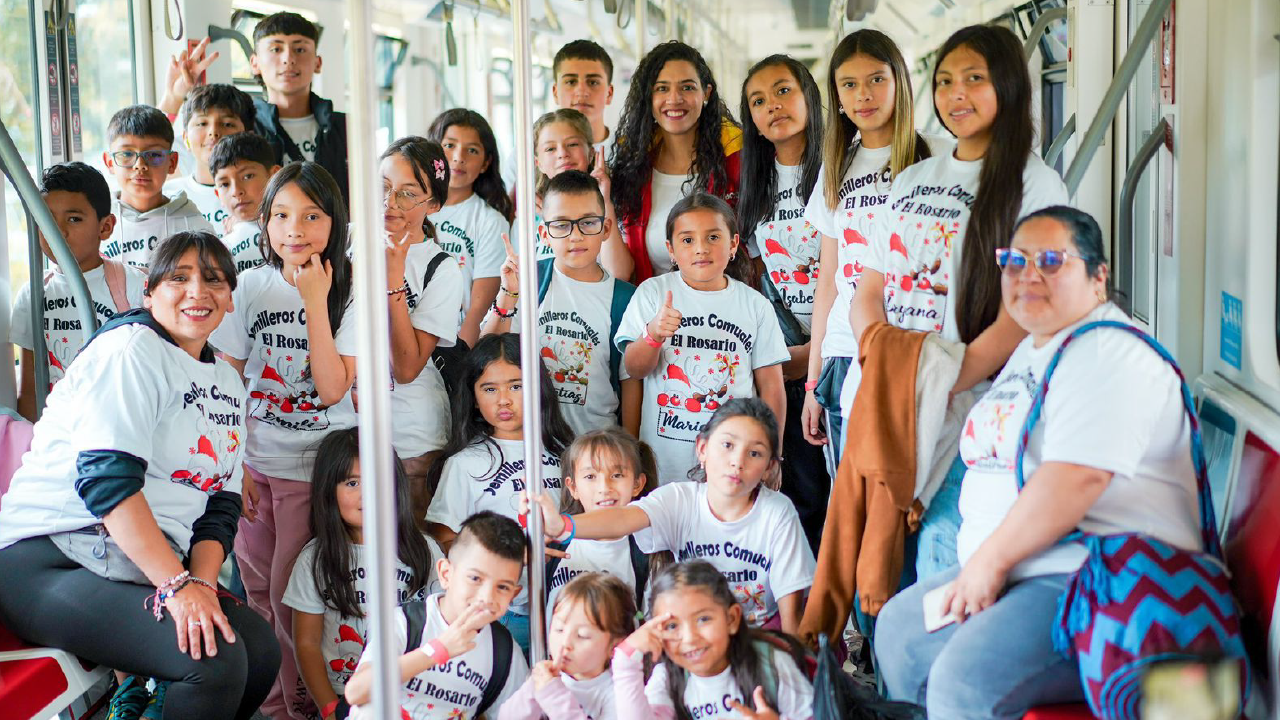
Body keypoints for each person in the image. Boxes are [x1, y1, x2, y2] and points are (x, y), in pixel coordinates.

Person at [874, 206, 1201, 719]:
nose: (1028, 274)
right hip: (1027, 567)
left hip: (1090, 577)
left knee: (966, 679)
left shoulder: (1109, 352)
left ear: (1098, 277)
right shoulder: (1035, 347)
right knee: (902, 632)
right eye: (1015, 261)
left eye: (1051, 261)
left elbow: (1076, 479)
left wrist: (989, 564)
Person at [0, 231, 281, 720]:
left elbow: (220, 505)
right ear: (148, 293)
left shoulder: (226, 381)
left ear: (230, 298)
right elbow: (108, 483)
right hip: (49, 557)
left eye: (214, 280)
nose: (198, 291)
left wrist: (203, 586)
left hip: (129, 564)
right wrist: (177, 586)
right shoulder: (130, 350)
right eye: (179, 278)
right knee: (211, 661)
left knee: (258, 649)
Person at [851, 24, 1070, 579]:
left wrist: (945, 378)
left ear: (1008, 87)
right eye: (945, 81)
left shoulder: (1035, 185)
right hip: (888, 396)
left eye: (974, 79)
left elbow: (1024, 310)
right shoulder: (913, 178)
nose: (956, 94)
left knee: (939, 560)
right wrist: (882, 364)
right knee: (876, 559)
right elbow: (869, 288)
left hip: (971, 406)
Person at [210, 161, 358, 720]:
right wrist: (233, 468)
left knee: (290, 599)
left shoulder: (350, 286)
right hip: (253, 468)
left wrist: (315, 300)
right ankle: (272, 707)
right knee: (255, 594)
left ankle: (303, 707)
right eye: (281, 215)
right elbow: (226, 381)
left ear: (334, 220)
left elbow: (332, 388)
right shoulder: (250, 284)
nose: (294, 229)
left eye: (312, 216)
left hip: (312, 470)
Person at [528, 399, 815, 634]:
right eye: (727, 445)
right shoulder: (680, 499)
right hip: (692, 639)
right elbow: (622, 519)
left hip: (757, 639)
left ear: (769, 466)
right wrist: (563, 525)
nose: (737, 462)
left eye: (755, 453)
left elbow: (791, 615)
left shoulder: (777, 512)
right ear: (702, 449)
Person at [800, 29, 947, 462]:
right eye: (849, 84)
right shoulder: (836, 167)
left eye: (876, 79)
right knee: (852, 492)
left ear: (899, 81)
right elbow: (828, 279)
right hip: (846, 352)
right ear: (837, 97)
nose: (863, 94)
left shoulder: (939, 156)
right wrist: (812, 381)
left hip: (921, 346)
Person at [615, 193, 786, 484]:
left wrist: (773, 455)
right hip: (664, 467)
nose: (701, 248)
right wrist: (653, 334)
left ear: (733, 244)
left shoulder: (755, 305)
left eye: (713, 237)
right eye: (687, 240)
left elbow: (772, 387)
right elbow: (634, 369)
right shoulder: (652, 293)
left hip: (735, 468)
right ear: (670, 249)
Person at [425, 333, 574, 651]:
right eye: (489, 389)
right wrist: (508, 556)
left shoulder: (566, 453)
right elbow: (445, 539)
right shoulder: (465, 463)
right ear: (474, 396)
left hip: (565, 605)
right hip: (500, 611)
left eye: (516, 386)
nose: (503, 400)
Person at [737, 53, 830, 553]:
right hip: (791, 357)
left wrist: (820, 350)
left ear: (809, 96)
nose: (772, 105)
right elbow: (759, 278)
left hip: (842, 345)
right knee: (805, 494)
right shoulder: (756, 184)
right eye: (758, 100)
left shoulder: (841, 168)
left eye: (782, 91)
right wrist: (779, 356)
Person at [282, 428, 436, 720]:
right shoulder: (314, 558)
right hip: (346, 697)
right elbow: (307, 644)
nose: (367, 494)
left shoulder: (424, 550)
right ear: (329, 491)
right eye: (352, 483)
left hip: (414, 695)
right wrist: (330, 709)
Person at [483, 170, 640, 436]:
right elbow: (485, 353)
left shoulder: (625, 298)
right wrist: (508, 294)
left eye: (588, 223)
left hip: (595, 444)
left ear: (606, 228)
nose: (575, 235)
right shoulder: (529, 280)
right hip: (531, 443)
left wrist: (631, 446)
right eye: (561, 225)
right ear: (544, 234)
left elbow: (630, 381)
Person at [344, 511, 530, 719]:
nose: (487, 597)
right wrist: (438, 650)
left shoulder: (504, 652)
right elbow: (356, 692)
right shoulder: (404, 622)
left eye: (503, 587)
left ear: (514, 594)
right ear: (445, 574)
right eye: (475, 578)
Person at [10, 161, 146, 420]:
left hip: (120, 427)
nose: (59, 231)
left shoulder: (135, 286)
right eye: (47, 219)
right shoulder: (33, 295)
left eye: (74, 219)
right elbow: (29, 391)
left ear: (105, 227)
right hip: (61, 431)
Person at [380, 136, 465, 520]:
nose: (390, 202)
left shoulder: (441, 268)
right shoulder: (347, 239)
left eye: (407, 194)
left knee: (415, 547)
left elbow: (407, 367)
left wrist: (393, 279)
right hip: (346, 429)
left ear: (433, 205)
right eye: (383, 187)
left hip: (412, 437)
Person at [608, 41, 742, 283]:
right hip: (652, 302)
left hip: (727, 301)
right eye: (662, 88)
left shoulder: (737, 160)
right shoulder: (631, 167)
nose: (674, 98)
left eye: (687, 87)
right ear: (648, 97)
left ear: (706, 94)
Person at [614, 561, 815, 719]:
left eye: (703, 619)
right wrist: (625, 662)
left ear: (732, 619)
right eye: (672, 626)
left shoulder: (771, 664)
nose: (690, 638)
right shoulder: (667, 677)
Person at [545, 427, 659, 613]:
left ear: (637, 484)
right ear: (573, 487)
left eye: (617, 475)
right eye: (590, 476)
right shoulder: (553, 545)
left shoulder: (647, 551)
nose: (604, 488)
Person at [497, 572, 638, 720]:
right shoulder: (548, 677)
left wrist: (554, 696)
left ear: (615, 647)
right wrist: (531, 690)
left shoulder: (618, 693)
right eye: (559, 629)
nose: (565, 643)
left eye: (582, 635)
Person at [427, 108, 514, 346]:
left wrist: (459, 360)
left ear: (486, 163)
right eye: (449, 145)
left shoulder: (490, 221)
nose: (459, 157)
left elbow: (478, 311)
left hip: (455, 345)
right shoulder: (412, 208)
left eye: (472, 150)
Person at [100, 105, 214, 268]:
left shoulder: (195, 227)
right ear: (110, 163)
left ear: (172, 163)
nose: (140, 165)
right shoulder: (96, 224)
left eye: (154, 155)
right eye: (126, 154)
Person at [516, 109, 624, 264]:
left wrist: (605, 201)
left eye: (572, 144)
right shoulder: (530, 213)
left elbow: (619, 272)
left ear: (591, 153)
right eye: (550, 148)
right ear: (538, 163)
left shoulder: (613, 200)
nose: (562, 153)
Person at [165, 83, 256, 236]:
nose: (213, 132)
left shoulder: (264, 194)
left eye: (227, 124)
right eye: (202, 123)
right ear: (185, 138)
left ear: (249, 137)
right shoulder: (167, 196)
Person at [210, 132, 279, 274]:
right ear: (217, 195)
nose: (236, 191)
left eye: (248, 176)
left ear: (274, 176)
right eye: (224, 184)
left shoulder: (296, 228)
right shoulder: (219, 248)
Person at [551, 39, 617, 152]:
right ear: (555, 93)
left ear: (609, 94)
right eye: (571, 82)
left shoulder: (632, 154)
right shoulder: (529, 154)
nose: (581, 91)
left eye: (593, 82)